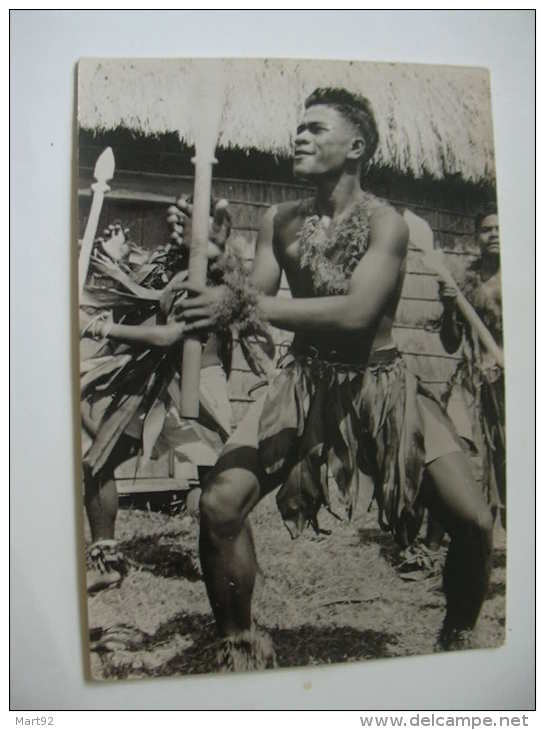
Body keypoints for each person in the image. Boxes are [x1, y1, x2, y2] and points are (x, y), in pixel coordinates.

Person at [174, 87, 494, 667]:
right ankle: (238, 646)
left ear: (356, 146)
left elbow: (355, 312)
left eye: (317, 128)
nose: (301, 135)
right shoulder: (280, 220)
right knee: (220, 503)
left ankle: (459, 634)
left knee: (472, 520)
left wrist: (237, 300)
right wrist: (218, 259)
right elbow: (257, 298)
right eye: (300, 127)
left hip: (383, 387)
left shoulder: (387, 224)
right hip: (303, 385)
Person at [81, 199, 233, 594]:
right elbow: (140, 299)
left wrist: (97, 329)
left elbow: (169, 335)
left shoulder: (211, 273)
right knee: (97, 462)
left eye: (184, 214)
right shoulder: (164, 263)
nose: (172, 219)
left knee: (219, 490)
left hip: (196, 385)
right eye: (174, 212)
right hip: (151, 385)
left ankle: (228, 567)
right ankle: (105, 560)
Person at [438, 205, 505, 528]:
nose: (494, 235)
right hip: (472, 383)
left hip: (512, 385)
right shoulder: (464, 283)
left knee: (509, 455)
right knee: (453, 450)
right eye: (487, 229)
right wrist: (450, 307)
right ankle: (443, 536)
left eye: (500, 229)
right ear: (477, 236)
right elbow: (450, 343)